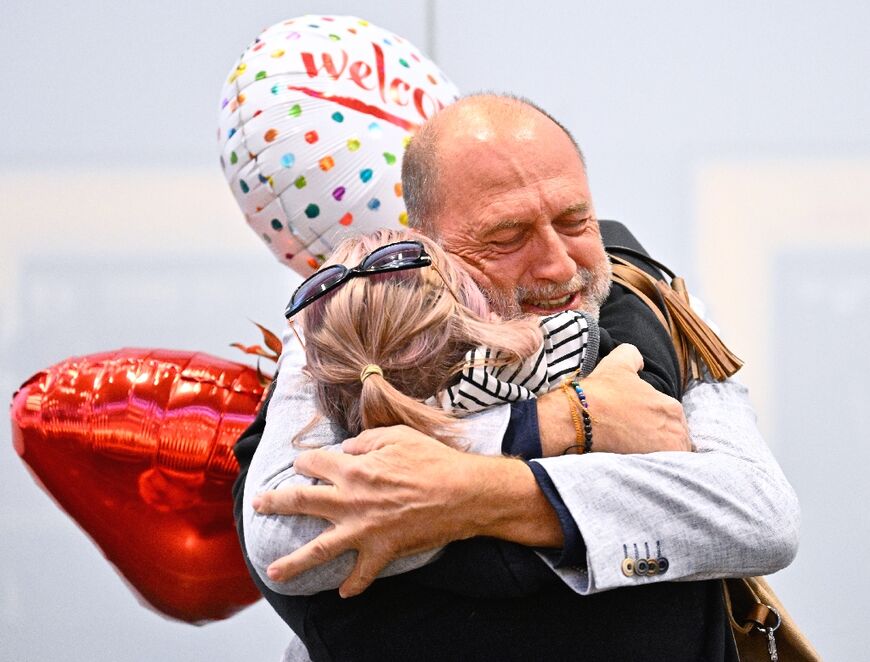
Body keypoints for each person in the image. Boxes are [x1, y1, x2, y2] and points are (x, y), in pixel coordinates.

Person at [235, 94, 800, 661]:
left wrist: (474, 492)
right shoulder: (342, 329)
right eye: (508, 237)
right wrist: (553, 425)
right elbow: (280, 537)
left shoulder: (656, 306)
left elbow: (759, 515)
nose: (559, 265)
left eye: (575, 222)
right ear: (427, 242)